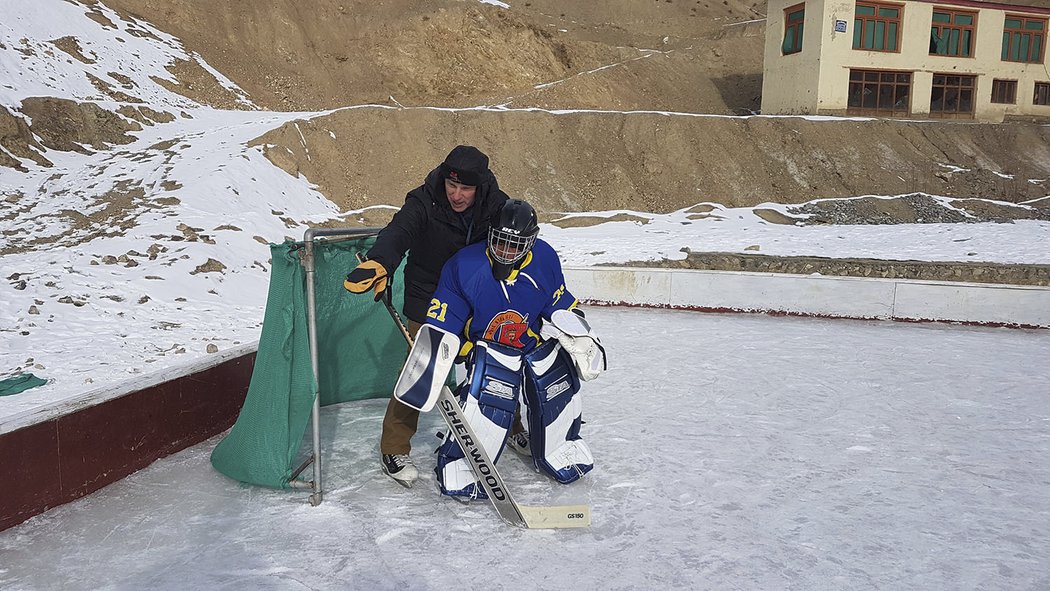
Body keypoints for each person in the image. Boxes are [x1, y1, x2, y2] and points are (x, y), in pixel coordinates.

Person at [393, 199, 607, 499]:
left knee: (556, 383)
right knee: (493, 395)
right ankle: (463, 463)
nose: (505, 251)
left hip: (530, 343)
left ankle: (561, 447)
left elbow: (558, 304)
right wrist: (445, 353)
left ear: (531, 241)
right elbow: (444, 321)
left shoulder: (544, 258)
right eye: (500, 242)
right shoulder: (464, 266)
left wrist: (581, 332)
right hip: (487, 348)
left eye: (515, 244)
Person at [344, 145, 508, 487]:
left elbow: (514, 240)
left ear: (480, 187)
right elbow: (398, 231)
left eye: (466, 189)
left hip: (476, 296)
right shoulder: (425, 200)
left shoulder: (496, 205)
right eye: (452, 186)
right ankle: (394, 447)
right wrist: (380, 261)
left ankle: (514, 427)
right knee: (422, 368)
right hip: (430, 296)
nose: (457, 195)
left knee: (498, 361)